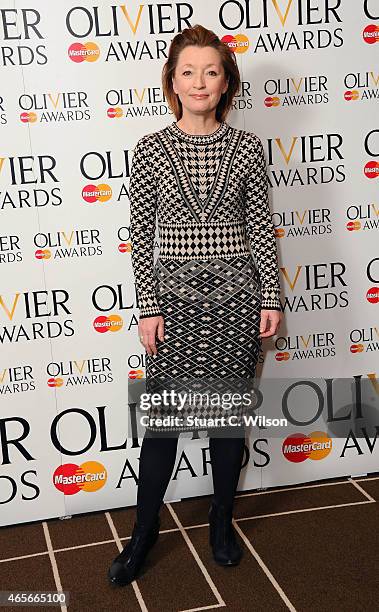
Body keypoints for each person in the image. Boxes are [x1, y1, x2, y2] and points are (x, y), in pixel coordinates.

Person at [108, 23, 282, 587]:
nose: (200, 81)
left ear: (226, 80)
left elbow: (259, 227)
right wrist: (149, 306)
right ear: (173, 81)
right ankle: (143, 531)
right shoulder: (150, 150)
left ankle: (221, 521)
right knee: (162, 425)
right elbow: (142, 231)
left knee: (228, 422)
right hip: (174, 303)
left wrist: (271, 297)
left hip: (237, 300)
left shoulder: (246, 148)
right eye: (189, 71)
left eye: (211, 70)